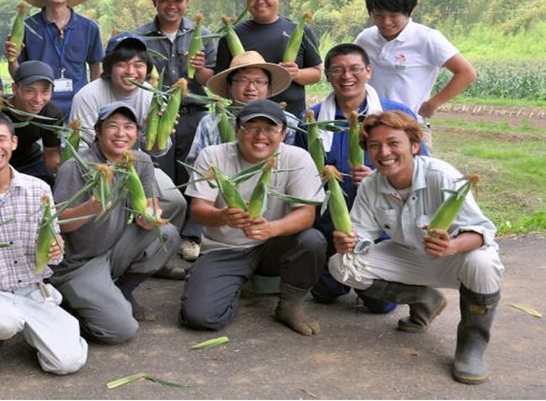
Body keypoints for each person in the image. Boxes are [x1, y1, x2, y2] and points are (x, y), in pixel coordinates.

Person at [329, 110, 503, 384]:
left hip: (453, 259)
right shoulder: (372, 185)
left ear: (413, 145)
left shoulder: (441, 175)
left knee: (483, 262)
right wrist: (350, 241)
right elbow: (362, 230)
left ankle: (472, 346)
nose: (384, 152)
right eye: (374, 146)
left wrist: (452, 246)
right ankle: (425, 299)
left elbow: (484, 231)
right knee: (342, 264)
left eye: (393, 142)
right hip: (409, 258)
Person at [0, 110, 87, 373]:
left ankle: (35, 329)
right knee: (4, 321)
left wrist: (56, 248)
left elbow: (53, 253)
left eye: (1, 139)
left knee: (68, 362)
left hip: (32, 290)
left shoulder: (39, 189)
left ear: (14, 142)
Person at [300, 43, 429, 313]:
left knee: (382, 306)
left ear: (368, 71)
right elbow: (299, 169)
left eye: (355, 69)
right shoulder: (310, 119)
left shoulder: (395, 114)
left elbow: (422, 168)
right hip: (330, 227)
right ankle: (343, 270)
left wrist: (379, 176)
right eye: (337, 70)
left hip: (382, 227)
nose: (347, 76)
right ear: (327, 75)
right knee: (324, 293)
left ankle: (419, 290)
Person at [181, 99, 326, 335]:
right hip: (225, 248)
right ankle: (232, 285)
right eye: (251, 127)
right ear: (237, 129)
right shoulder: (213, 156)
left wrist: (272, 229)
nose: (260, 136)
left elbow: (306, 215)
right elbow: (198, 210)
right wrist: (223, 216)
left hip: (272, 246)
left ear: (283, 133)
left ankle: (290, 305)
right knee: (200, 317)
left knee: (313, 240)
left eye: (270, 129)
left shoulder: (297, 158)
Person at [51, 102, 181, 342]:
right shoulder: (76, 166)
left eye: (128, 127)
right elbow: (58, 224)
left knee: (166, 233)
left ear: (136, 133)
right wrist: (91, 207)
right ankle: (66, 309)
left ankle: (123, 291)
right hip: (78, 262)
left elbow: (151, 204)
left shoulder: (140, 161)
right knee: (121, 331)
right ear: (98, 132)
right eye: (112, 126)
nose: (121, 134)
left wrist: (149, 216)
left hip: (112, 248)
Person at [182, 50, 300, 262]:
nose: (251, 87)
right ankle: (198, 240)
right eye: (242, 80)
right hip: (219, 203)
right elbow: (195, 168)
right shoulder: (210, 122)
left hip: (271, 203)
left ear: (269, 87)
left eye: (259, 81)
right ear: (229, 86)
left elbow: (293, 170)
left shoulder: (289, 124)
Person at [68, 32, 187, 232]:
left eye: (138, 64)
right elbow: (80, 148)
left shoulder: (152, 96)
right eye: (122, 64)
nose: (131, 71)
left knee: (175, 202)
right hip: (96, 170)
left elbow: (158, 151)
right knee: (108, 204)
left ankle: (146, 244)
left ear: (147, 68)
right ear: (109, 67)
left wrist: (158, 135)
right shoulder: (88, 96)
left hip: (136, 166)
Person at [355, 0, 477, 146]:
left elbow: (466, 73)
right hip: (370, 124)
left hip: (410, 125)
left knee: (416, 172)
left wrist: (433, 103)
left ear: (408, 12)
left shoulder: (427, 38)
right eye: (379, 16)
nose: (386, 22)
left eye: (393, 16)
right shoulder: (365, 38)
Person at [134, 0, 217, 185]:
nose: (172, 6)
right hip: (156, 118)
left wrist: (200, 69)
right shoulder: (139, 38)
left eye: (178, 0)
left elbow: (213, 83)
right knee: (161, 182)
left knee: (194, 181)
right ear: (155, 2)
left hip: (193, 118)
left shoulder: (203, 35)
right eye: (165, 0)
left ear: (187, 2)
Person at [214, 0, 322, 116]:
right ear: (244, 0)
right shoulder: (231, 35)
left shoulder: (300, 31)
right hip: (244, 120)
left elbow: (316, 74)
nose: (260, 1)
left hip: (291, 119)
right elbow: (223, 80)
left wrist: (296, 74)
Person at [7, 0, 104, 117]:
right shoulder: (28, 27)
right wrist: (11, 59)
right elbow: (19, 75)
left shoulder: (89, 27)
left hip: (79, 108)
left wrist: (94, 103)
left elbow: (95, 69)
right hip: (40, 109)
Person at [0, 61, 65, 187]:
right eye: (30, 91)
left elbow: (52, 154)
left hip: (30, 163)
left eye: (45, 92)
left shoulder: (52, 114)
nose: (38, 99)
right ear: (15, 89)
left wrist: (61, 177)